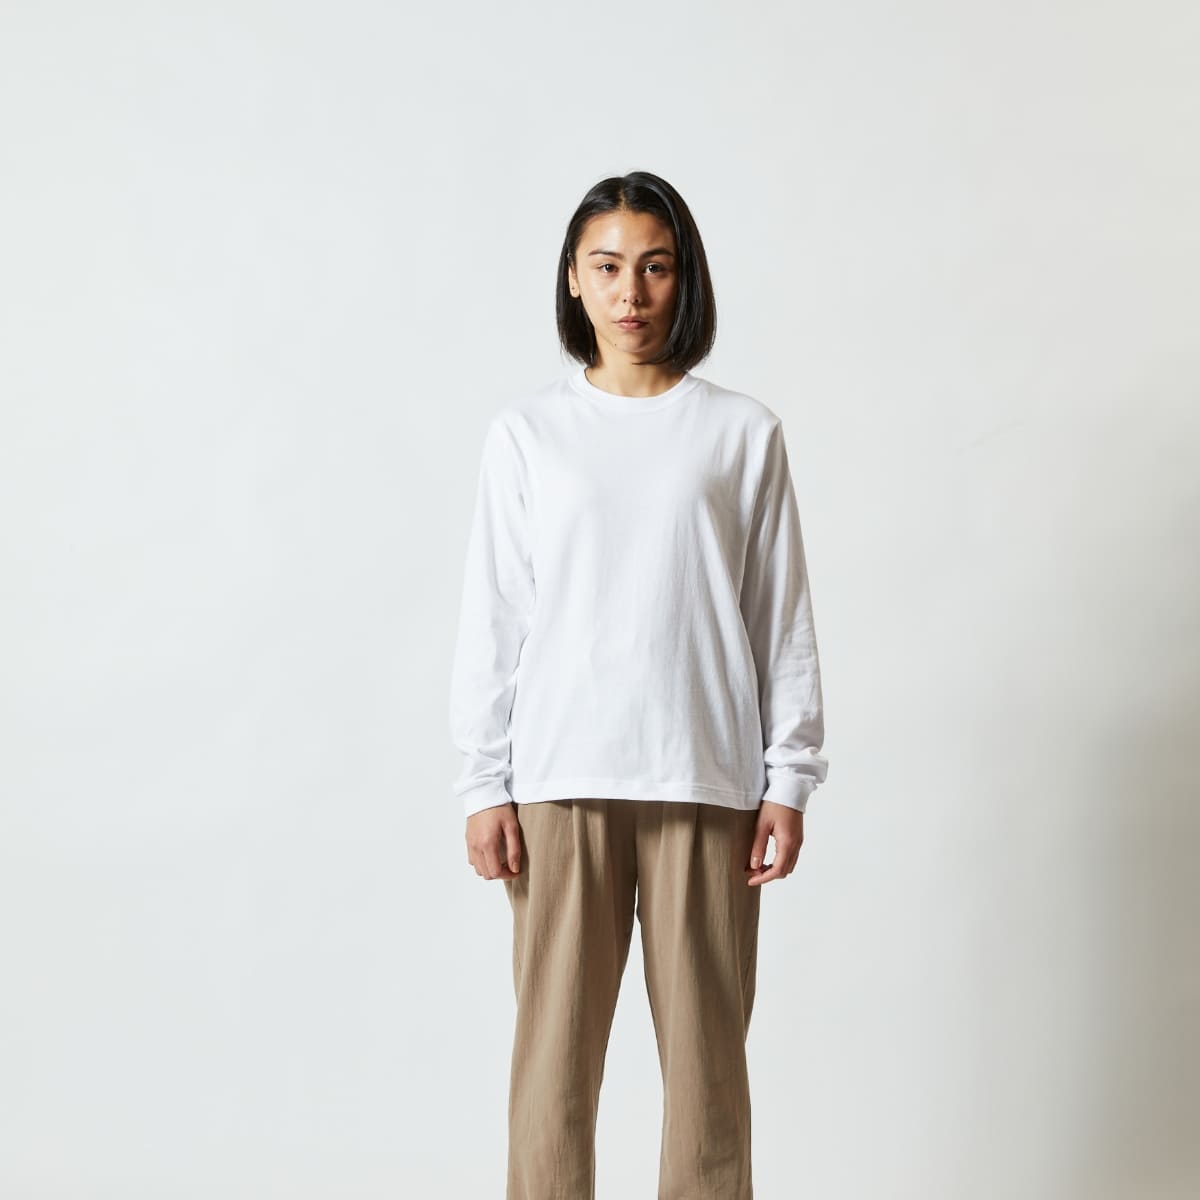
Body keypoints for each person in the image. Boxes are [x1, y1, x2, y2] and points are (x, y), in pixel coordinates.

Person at [447, 170, 829, 1200]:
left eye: (655, 267)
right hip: (560, 780)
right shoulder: (528, 434)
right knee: (552, 1073)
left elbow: (779, 615)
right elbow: (495, 614)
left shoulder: (742, 432)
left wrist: (790, 777)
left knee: (710, 1080)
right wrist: (483, 783)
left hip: (707, 779)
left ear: (684, 278)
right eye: (608, 267)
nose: (631, 292)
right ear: (573, 279)